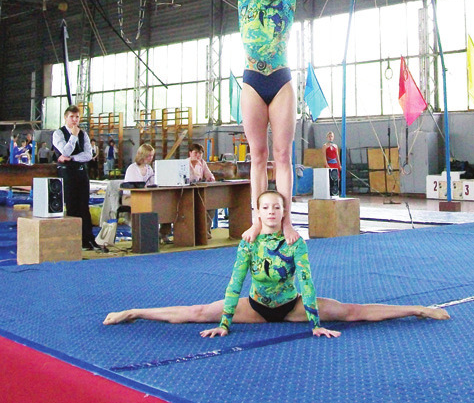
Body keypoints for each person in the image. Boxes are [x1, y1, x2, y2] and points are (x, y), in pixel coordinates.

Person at [103, 190, 450, 334]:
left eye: (277, 207)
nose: (271, 212)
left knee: (349, 311)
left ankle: (417, 309)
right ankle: (135, 312)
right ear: (258, 212)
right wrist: (224, 322)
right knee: (198, 312)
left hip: (292, 306)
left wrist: (315, 322)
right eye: (265, 207)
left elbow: (307, 283)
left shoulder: (295, 243)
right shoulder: (249, 242)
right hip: (255, 307)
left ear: (284, 212)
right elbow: (235, 283)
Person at [237, 0, 300, 244]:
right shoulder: (245, 3)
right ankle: (257, 221)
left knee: (283, 155)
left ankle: (287, 222)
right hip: (252, 81)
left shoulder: (286, 5)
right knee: (258, 155)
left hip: (280, 79)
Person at [52, 104, 97, 250]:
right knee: (72, 206)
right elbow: (64, 151)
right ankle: (74, 239)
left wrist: (72, 158)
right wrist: (73, 136)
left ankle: (88, 238)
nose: (74, 120)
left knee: (84, 206)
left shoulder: (84, 134)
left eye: (77, 117)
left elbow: (88, 155)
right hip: (67, 173)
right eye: (72, 117)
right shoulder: (58, 134)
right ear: (66, 118)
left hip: (81, 172)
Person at [188, 143, 216, 237]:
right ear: (190, 153)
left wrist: (210, 178)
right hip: (187, 193)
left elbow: (209, 175)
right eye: (195, 153)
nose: (198, 155)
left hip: (200, 192)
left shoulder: (203, 163)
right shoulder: (185, 163)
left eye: (200, 153)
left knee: (211, 206)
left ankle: (206, 231)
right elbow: (190, 179)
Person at [322, 131, 341, 196]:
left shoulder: (335, 146)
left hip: (335, 164)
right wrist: (326, 164)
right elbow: (324, 156)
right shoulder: (325, 146)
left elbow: (337, 156)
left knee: (336, 179)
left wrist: (339, 165)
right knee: (329, 178)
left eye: (331, 136)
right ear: (327, 137)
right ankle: (328, 192)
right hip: (329, 164)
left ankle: (335, 192)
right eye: (329, 136)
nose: (330, 138)